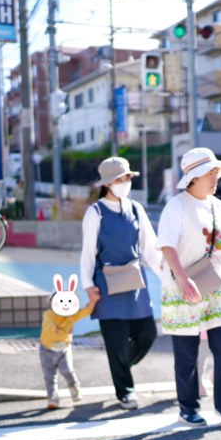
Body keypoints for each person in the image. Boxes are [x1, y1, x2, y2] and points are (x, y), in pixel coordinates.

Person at [156, 148, 221, 426]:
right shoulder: (176, 206)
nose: (215, 178)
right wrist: (183, 279)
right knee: (187, 354)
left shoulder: (219, 206)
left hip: (217, 289)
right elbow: (166, 246)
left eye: (216, 172)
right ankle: (188, 409)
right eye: (210, 173)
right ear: (193, 177)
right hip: (183, 289)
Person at [81, 157, 163, 409]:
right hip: (106, 285)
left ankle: (119, 366)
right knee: (116, 340)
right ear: (107, 184)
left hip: (136, 283)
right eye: (119, 179)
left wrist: (171, 279)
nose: (125, 182)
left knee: (148, 334)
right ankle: (125, 390)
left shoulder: (136, 209)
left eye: (127, 177)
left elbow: (152, 250)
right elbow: (88, 252)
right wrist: (88, 286)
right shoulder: (95, 212)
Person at [40, 274, 97, 409]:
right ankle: (52, 397)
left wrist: (93, 302)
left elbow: (86, 311)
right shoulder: (49, 314)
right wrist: (59, 330)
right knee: (49, 375)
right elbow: (48, 326)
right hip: (46, 349)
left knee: (67, 370)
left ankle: (74, 387)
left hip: (64, 348)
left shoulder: (72, 315)